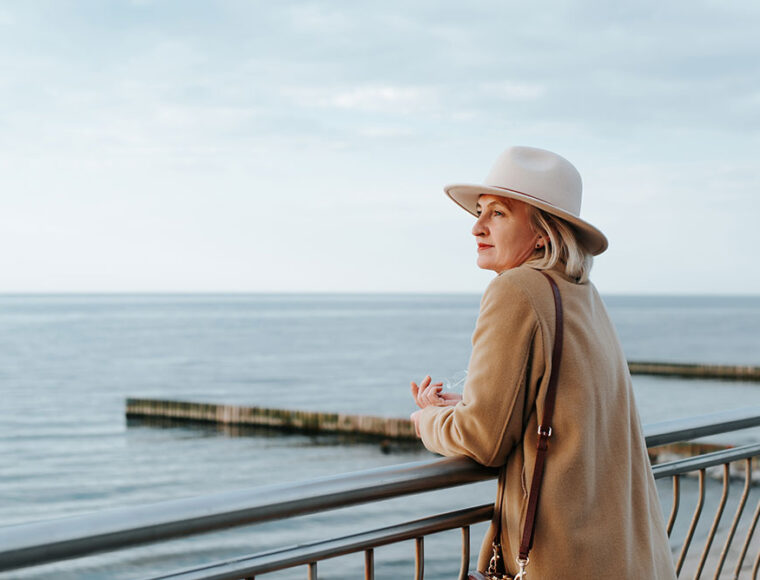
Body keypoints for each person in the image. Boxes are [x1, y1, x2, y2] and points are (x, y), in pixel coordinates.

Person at [410, 146, 676, 578]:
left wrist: (426, 423)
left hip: (564, 561)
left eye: (498, 214)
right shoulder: (582, 294)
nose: (477, 227)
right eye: (479, 212)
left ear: (542, 232)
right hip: (627, 557)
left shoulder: (515, 290)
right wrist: (466, 404)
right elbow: (566, 405)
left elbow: (483, 440)